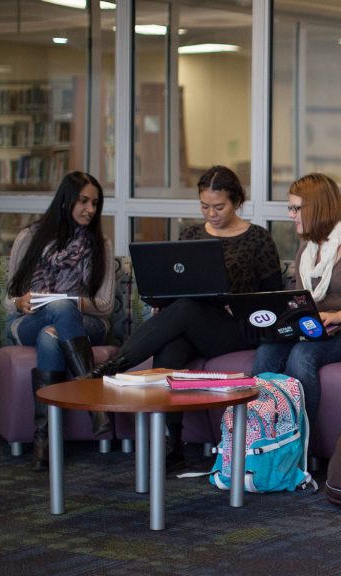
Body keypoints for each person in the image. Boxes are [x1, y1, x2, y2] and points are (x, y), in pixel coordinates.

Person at [91, 165, 283, 471]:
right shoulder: (192, 235)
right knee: (173, 342)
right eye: (205, 206)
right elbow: (177, 285)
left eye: (219, 207)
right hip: (192, 324)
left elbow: (272, 299)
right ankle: (173, 442)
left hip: (235, 328)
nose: (211, 214)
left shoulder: (257, 239)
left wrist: (239, 304)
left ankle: (115, 368)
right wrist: (163, 302)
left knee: (184, 310)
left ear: (237, 202)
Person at [4, 172, 114, 470]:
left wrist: (73, 301)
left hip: (85, 322)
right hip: (29, 321)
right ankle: (95, 402)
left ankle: (44, 439)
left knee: (52, 333)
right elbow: (7, 298)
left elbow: (104, 306)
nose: (90, 209)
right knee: (54, 317)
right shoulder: (30, 237)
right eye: (83, 201)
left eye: (95, 203)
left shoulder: (99, 243)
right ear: (66, 200)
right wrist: (19, 301)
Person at [252, 173, 341, 421]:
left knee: (302, 355)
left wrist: (337, 316)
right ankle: (262, 434)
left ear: (317, 208)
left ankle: (302, 443)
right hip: (317, 325)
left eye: (295, 208)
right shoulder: (308, 247)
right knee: (265, 352)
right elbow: (300, 299)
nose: (291, 215)